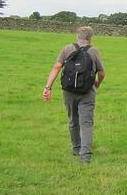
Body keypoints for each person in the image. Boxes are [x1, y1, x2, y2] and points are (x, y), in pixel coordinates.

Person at [43, 26, 106, 163]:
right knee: (86, 123)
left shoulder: (67, 49)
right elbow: (102, 72)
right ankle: (85, 156)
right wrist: (97, 83)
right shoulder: (94, 51)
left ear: (77, 36)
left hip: (68, 91)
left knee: (73, 120)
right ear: (90, 38)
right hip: (87, 92)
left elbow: (57, 67)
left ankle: (76, 148)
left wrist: (48, 87)